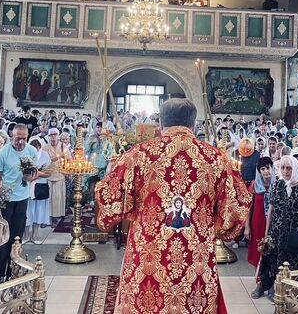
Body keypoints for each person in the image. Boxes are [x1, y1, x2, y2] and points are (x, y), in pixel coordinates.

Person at [95, 99, 251, 313]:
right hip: (195, 260)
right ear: (194, 124)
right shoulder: (216, 159)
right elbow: (238, 204)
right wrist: (217, 226)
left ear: (160, 124)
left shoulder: (139, 155)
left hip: (148, 258)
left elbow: (109, 197)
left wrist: (130, 211)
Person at [254, 155, 298, 301]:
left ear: (295, 169)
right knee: (272, 262)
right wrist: (266, 235)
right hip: (276, 233)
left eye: (289, 168)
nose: (286, 171)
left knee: (293, 266)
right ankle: (270, 287)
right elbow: (271, 211)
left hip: (296, 236)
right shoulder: (277, 185)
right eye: (283, 168)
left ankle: (291, 293)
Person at [0, 124, 40, 282]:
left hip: (22, 199)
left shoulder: (31, 151)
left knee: (17, 236)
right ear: (12, 136)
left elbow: (35, 173)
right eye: (18, 138)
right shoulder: (3, 153)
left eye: (24, 138)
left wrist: (30, 177)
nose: (21, 142)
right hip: (6, 200)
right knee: (3, 237)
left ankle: (13, 270)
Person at [245, 157, 273, 271]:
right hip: (257, 224)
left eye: (268, 168)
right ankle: (258, 279)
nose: (266, 171)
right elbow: (248, 207)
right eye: (263, 169)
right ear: (259, 171)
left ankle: (269, 279)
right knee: (257, 251)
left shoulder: (278, 184)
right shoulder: (254, 185)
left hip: (272, 224)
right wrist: (247, 227)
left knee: (271, 252)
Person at [24, 137, 51, 244]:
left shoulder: (45, 155)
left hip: (40, 186)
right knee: (27, 211)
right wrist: (29, 176)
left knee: (38, 211)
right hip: (27, 186)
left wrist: (38, 174)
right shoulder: (25, 155)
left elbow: (49, 172)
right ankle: (25, 235)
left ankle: (34, 235)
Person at [43, 129, 70, 227]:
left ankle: (56, 217)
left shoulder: (63, 146)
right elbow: (44, 161)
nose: (53, 137)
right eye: (51, 135)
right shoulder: (45, 147)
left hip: (59, 174)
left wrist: (68, 170)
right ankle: (46, 218)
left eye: (55, 135)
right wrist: (58, 157)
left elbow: (69, 159)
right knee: (48, 198)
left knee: (57, 197)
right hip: (48, 175)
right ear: (48, 137)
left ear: (58, 136)